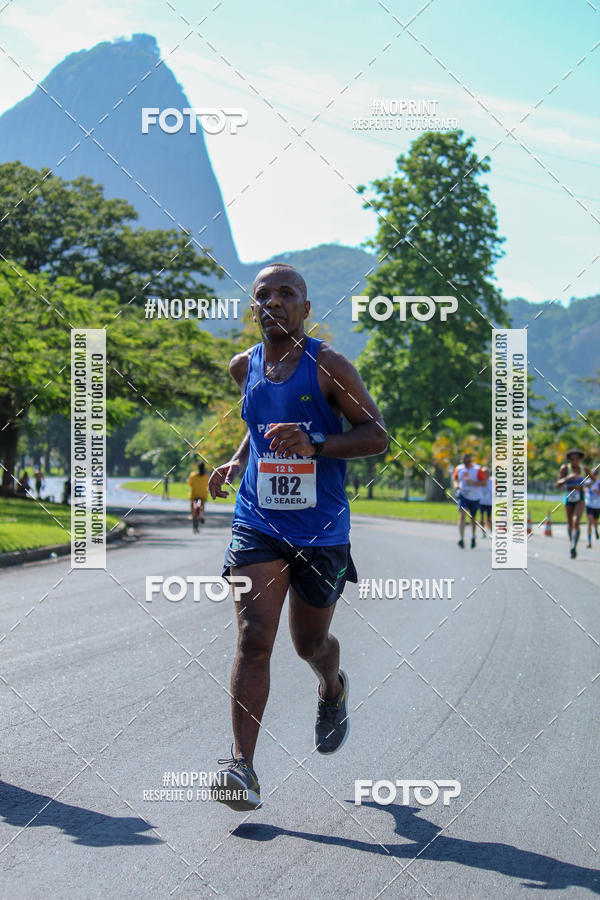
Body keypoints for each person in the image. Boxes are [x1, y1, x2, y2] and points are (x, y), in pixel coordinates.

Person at [207, 263, 388, 811]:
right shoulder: (245, 367)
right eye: (263, 295)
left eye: (287, 294)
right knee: (253, 637)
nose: (274, 302)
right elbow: (256, 421)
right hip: (258, 519)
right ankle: (242, 768)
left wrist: (315, 443)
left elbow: (376, 436)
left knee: (308, 643)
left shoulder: (329, 365)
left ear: (306, 309)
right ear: (254, 309)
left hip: (322, 528)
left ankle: (332, 687)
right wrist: (239, 463)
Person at [556, 449, 590, 558]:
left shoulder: (584, 469)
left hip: (580, 497)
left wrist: (588, 482)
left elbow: (593, 480)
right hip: (569, 497)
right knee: (570, 523)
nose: (575, 461)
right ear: (569, 459)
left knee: (576, 522)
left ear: (580, 459)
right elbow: (558, 484)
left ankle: (574, 546)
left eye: (577, 459)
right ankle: (571, 542)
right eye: (572, 459)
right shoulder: (565, 468)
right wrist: (568, 478)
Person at [452, 453, 486, 549]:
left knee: (473, 518)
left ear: (470, 461)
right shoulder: (459, 469)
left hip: (475, 497)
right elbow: (455, 478)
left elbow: (484, 483)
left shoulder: (477, 469)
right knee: (462, 514)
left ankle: (473, 536)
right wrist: (456, 486)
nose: (466, 464)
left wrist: (473, 483)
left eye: (468, 462)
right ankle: (461, 538)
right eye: (464, 462)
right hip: (463, 495)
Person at [584, 467, 600, 549]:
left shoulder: (598, 482)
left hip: (597, 505)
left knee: (595, 522)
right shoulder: (587, 482)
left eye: (596, 474)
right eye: (593, 473)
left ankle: (596, 530)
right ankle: (589, 541)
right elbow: (584, 490)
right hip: (589, 504)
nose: (594, 475)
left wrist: (596, 490)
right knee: (589, 522)